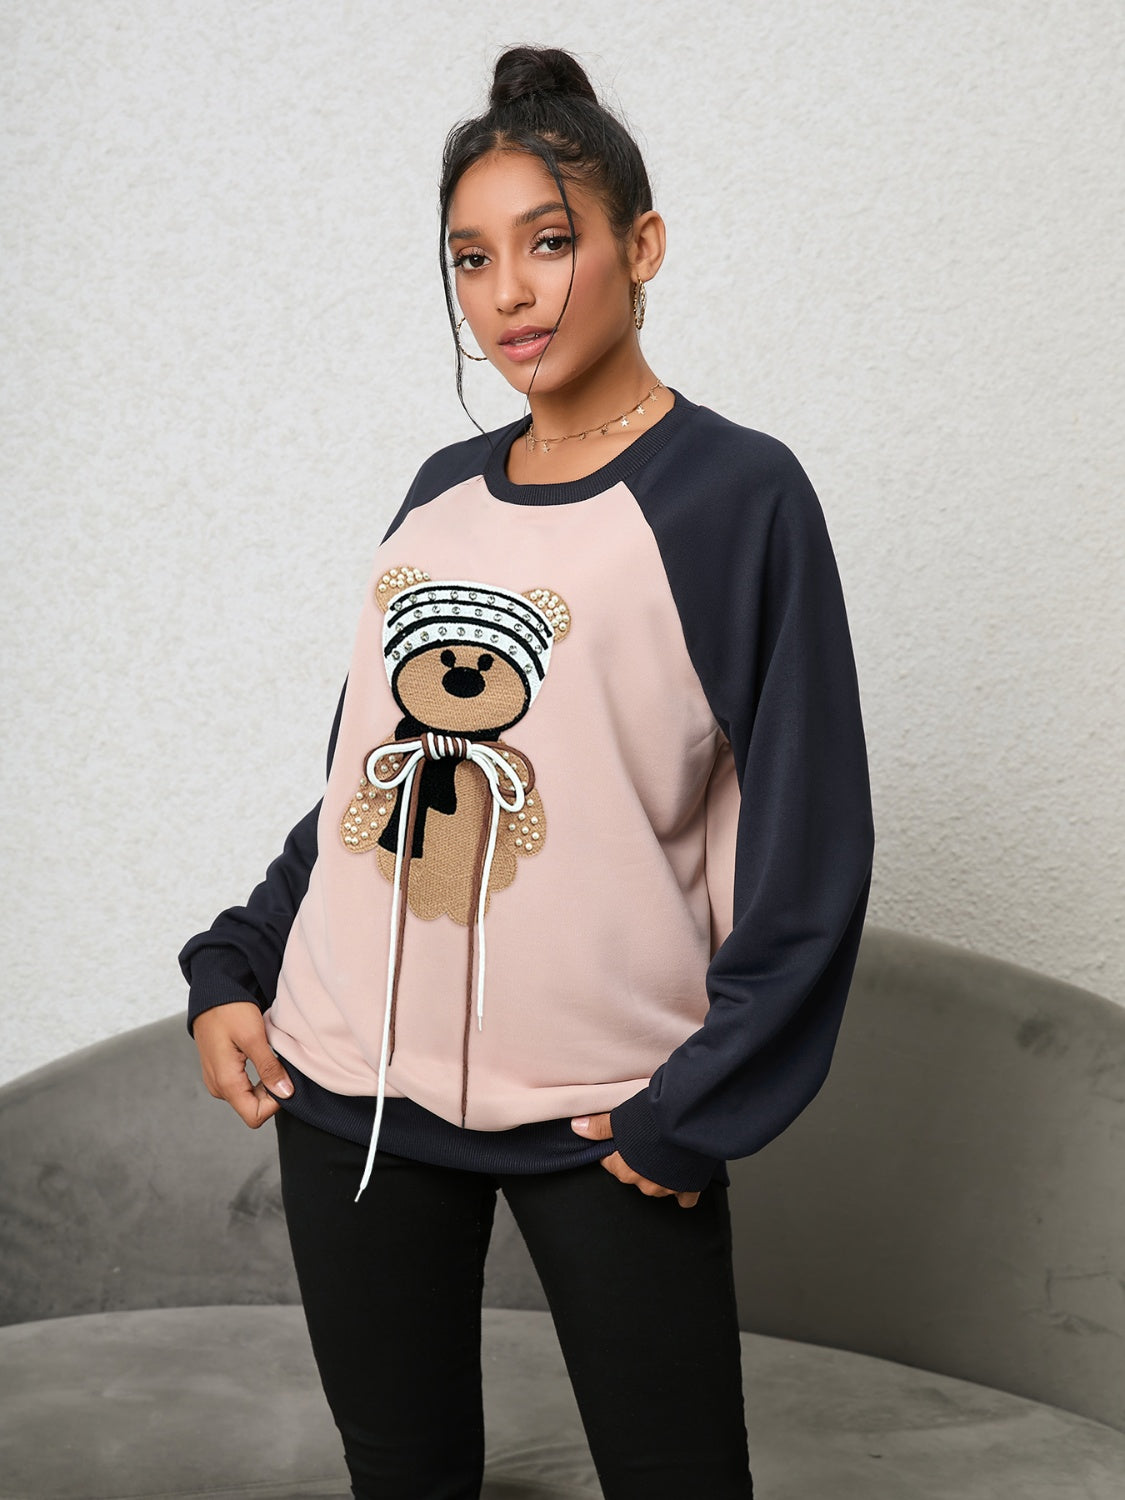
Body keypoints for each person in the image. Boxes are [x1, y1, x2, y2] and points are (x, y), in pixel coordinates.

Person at [180, 42, 875, 1500]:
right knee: (404, 1480)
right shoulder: (437, 497)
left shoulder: (737, 495)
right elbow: (369, 784)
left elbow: (810, 844)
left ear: (642, 246)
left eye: (549, 243)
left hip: (608, 1115)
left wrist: (696, 1108)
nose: (508, 292)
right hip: (349, 1098)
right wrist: (237, 961)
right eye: (471, 257)